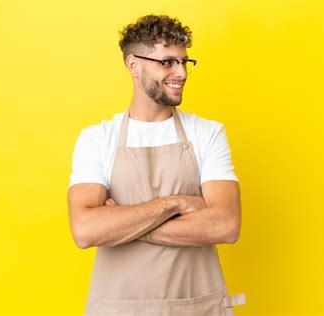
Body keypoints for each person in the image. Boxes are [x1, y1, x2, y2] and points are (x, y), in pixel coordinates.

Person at [67, 14, 246, 316]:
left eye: (184, 62)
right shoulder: (98, 138)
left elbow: (227, 224)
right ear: (134, 65)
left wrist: (122, 223)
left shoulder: (207, 133)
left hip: (196, 308)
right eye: (167, 62)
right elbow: (85, 230)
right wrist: (175, 203)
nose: (181, 72)